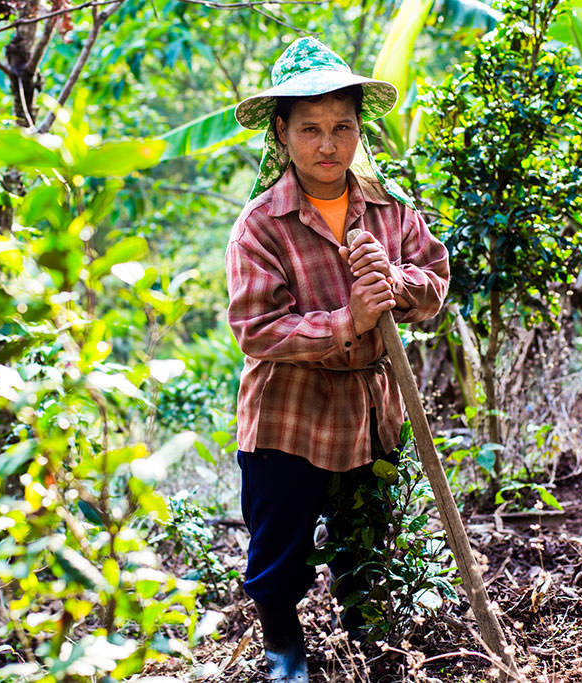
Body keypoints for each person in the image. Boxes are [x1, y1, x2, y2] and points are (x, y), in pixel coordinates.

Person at [225, 37, 450, 682]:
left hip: (370, 410)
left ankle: (371, 647)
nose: (328, 144)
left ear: (359, 130)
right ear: (282, 134)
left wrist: (398, 285)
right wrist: (347, 320)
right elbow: (258, 329)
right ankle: (284, 654)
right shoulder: (261, 225)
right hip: (287, 418)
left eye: (342, 127)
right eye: (311, 129)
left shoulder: (390, 207)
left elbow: (433, 284)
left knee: (368, 540)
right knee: (281, 552)